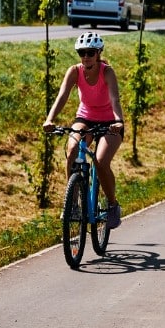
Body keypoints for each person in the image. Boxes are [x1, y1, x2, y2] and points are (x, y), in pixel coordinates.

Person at [43, 31, 126, 229]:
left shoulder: (107, 72)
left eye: (90, 52)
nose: (86, 57)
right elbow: (62, 96)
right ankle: (73, 203)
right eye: (82, 53)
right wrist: (50, 119)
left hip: (109, 122)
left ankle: (113, 205)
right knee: (72, 150)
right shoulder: (75, 71)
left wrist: (118, 121)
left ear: (98, 53)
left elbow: (115, 98)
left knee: (100, 160)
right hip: (85, 118)